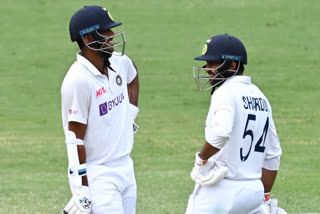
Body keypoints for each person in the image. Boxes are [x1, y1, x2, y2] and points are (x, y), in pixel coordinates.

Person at [185, 34, 287, 214]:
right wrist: (264, 196)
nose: (207, 69)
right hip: (253, 191)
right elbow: (273, 153)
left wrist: (201, 160)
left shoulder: (225, 92)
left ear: (232, 65)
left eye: (213, 63)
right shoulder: (260, 97)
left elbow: (221, 133)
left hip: (220, 190)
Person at [61, 5, 139, 214]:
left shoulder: (120, 63)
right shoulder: (77, 81)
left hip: (126, 167)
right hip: (99, 175)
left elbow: (133, 77)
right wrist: (81, 190)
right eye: (105, 32)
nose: (112, 35)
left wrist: (129, 115)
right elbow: (74, 139)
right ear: (88, 39)